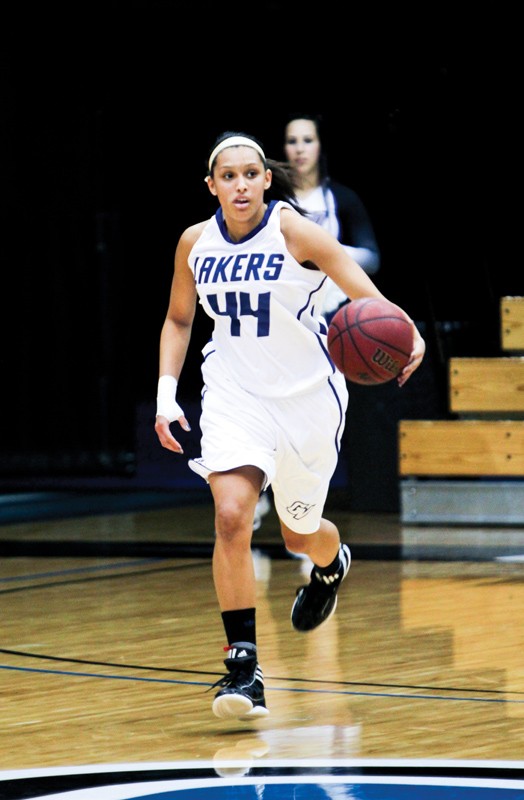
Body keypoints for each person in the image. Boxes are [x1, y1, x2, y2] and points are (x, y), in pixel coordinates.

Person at [154, 131, 425, 722]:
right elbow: (179, 320)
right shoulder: (194, 243)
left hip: (307, 400)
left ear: (266, 179)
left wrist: (408, 331)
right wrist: (166, 396)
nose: (241, 185)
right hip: (234, 393)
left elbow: (366, 297)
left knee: (301, 534)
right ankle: (243, 670)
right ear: (212, 186)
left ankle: (331, 565)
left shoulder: (295, 230)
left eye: (250, 174)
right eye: (228, 177)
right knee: (231, 514)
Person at [254, 112, 383, 532]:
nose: (299, 149)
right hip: (278, 324)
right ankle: (254, 491)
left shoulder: (340, 198)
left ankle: (306, 511)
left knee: (311, 422)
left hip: (331, 323)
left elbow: (372, 255)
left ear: (320, 146)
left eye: (307, 140)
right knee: (260, 406)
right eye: (291, 141)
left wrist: (324, 252)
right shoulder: (268, 206)